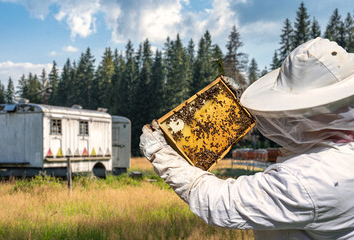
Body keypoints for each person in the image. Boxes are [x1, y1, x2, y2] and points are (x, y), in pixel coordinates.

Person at [139, 37, 354, 240]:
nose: (286, 119)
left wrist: (163, 156)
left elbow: (220, 202)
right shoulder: (338, 153)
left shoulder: (308, 180)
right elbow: (305, 150)